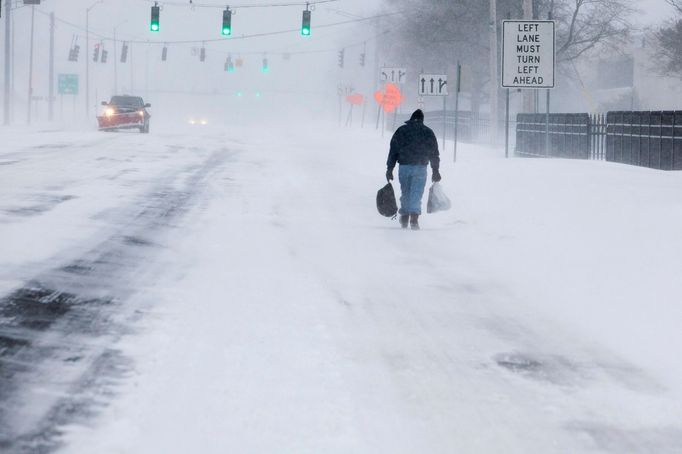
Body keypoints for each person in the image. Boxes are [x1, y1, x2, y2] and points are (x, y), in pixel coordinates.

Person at [385, 109, 441, 230]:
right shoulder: (428, 132)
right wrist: (435, 170)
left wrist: (390, 168)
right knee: (416, 193)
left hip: (404, 167)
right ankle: (414, 217)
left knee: (405, 192)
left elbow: (393, 150)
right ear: (422, 120)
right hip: (420, 167)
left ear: (411, 118)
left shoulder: (401, 131)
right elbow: (434, 153)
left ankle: (405, 214)